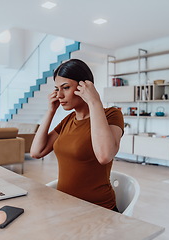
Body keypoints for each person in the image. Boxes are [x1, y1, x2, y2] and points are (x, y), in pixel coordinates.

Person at [30, 59, 124, 211]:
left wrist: (94, 101)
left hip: (98, 210)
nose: (59, 95)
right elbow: (36, 152)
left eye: (65, 87)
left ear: (84, 87)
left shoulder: (112, 115)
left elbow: (105, 155)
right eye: (57, 89)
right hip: (64, 206)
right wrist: (50, 111)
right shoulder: (68, 120)